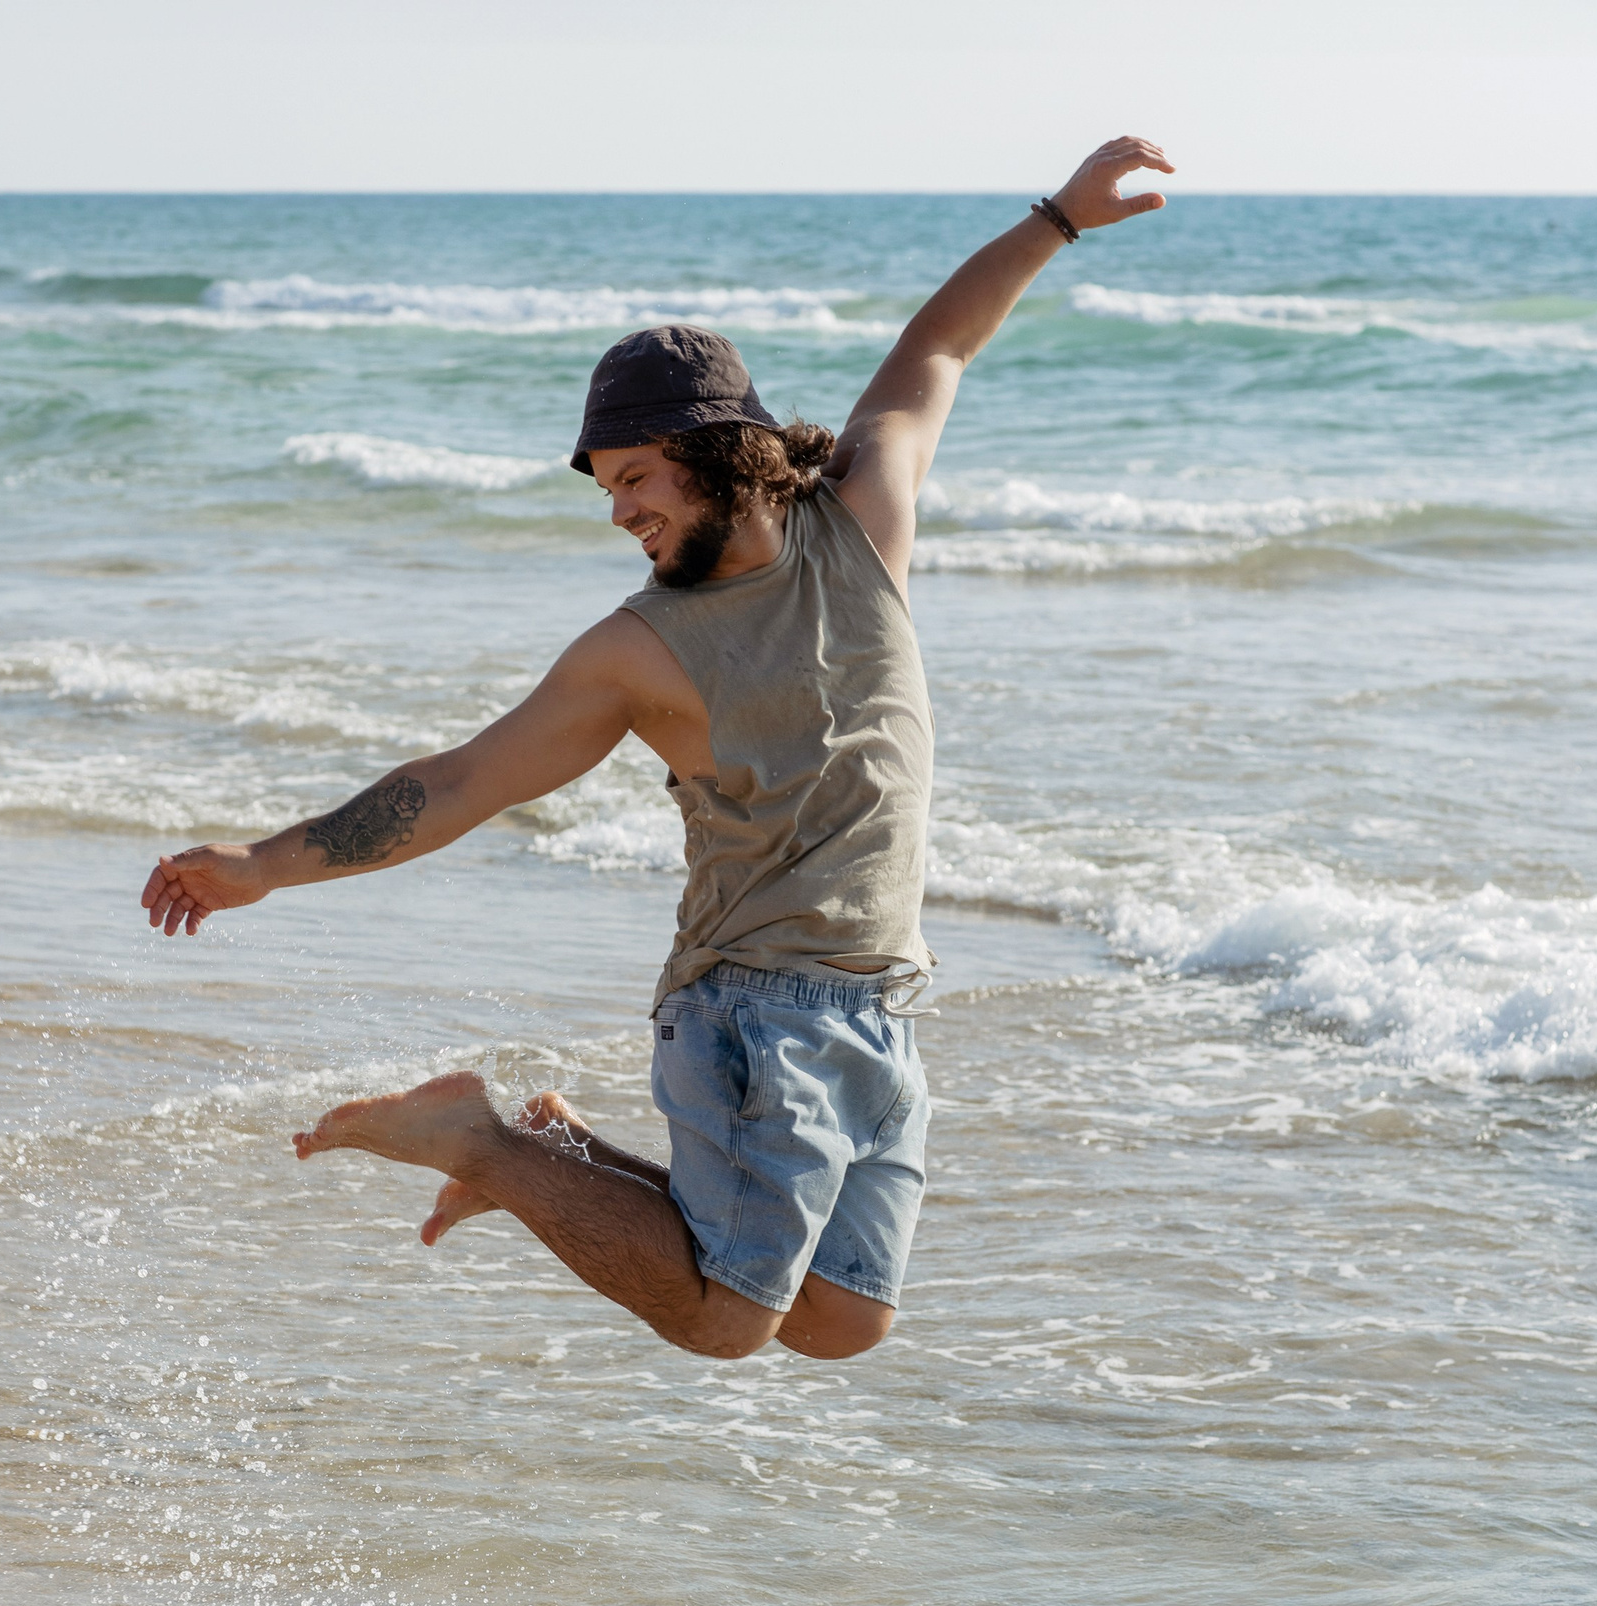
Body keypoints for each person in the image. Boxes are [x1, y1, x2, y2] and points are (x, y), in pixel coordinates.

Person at [142, 137, 1174, 1360]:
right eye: (607, 491)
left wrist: (1057, 219)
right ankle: (484, 1143)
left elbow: (936, 348)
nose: (622, 512)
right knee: (729, 1319)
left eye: (636, 478)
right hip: (752, 1007)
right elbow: (461, 781)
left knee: (842, 1319)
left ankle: (549, 1152)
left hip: (881, 999)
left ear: (720, 452)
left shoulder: (858, 525)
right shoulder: (637, 651)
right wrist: (263, 863)